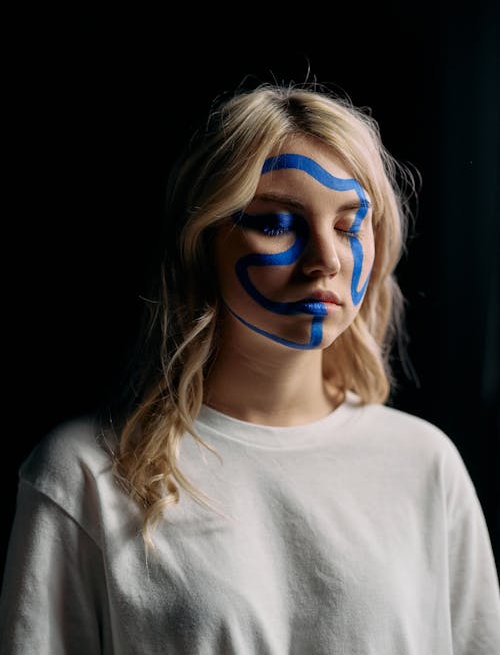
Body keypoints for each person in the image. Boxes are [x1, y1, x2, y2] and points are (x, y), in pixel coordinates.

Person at [1, 81, 499, 654]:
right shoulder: (82, 473)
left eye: (346, 224)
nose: (326, 261)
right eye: (276, 223)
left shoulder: (424, 464)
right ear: (201, 243)